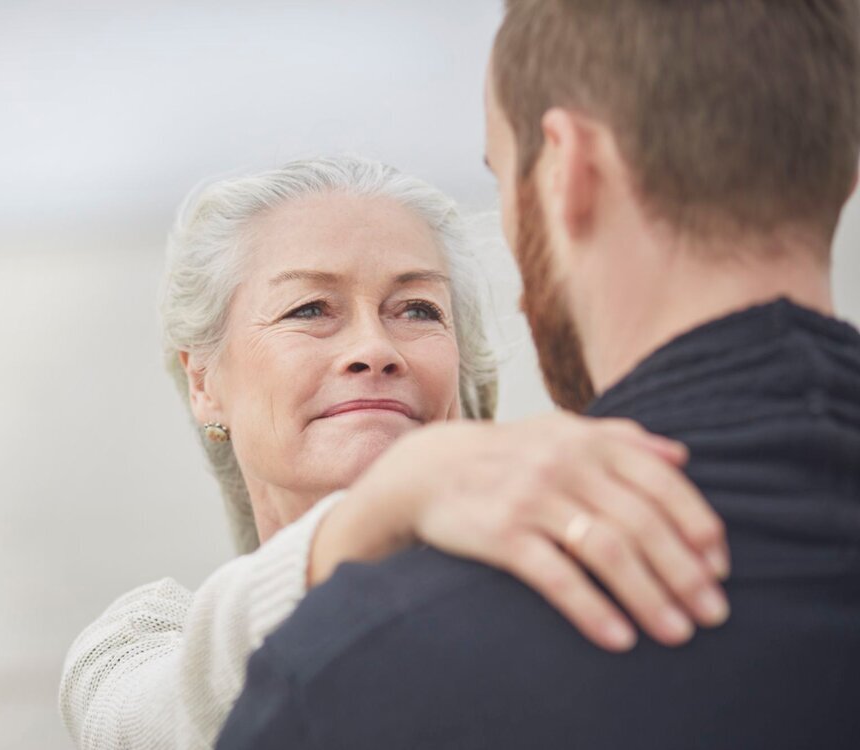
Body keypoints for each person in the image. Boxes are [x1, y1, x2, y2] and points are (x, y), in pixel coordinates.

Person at [218, 2, 860, 748]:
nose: (373, 350)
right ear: (842, 170)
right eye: (310, 308)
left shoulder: (371, 669)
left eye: (503, 178)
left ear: (567, 172)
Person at [60, 156, 733, 749]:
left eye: (416, 310)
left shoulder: (563, 580)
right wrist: (384, 508)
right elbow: (144, 721)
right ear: (204, 381)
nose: (374, 349)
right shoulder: (138, 642)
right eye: (309, 309)